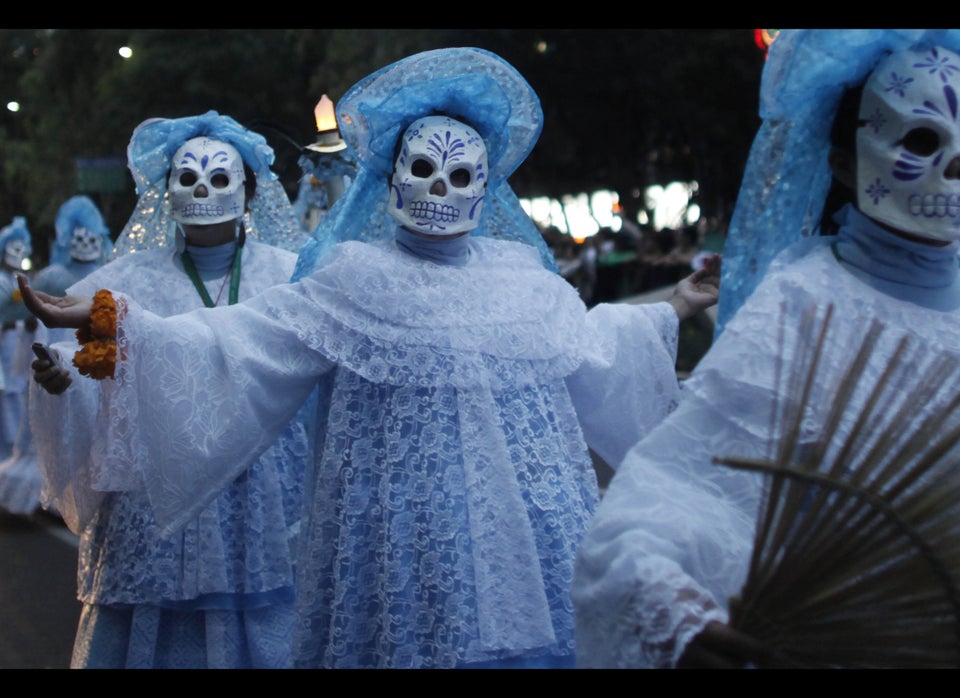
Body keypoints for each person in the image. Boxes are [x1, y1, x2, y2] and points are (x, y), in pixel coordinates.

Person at [21, 48, 719, 669]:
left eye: (457, 174)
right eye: (421, 168)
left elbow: (597, 345)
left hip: (527, 548)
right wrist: (119, 317)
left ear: (484, 187)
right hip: (401, 539)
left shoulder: (525, 281)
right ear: (390, 182)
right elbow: (238, 341)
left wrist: (677, 306)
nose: (437, 189)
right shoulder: (354, 278)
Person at [571, 29, 960, 669]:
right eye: (921, 139)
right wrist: (672, 609)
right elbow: (678, 496)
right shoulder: (803, 308)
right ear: (842, 161)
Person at [26, 111, 310, 669]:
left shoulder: (288, 275)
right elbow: (93, 361)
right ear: (167, 192)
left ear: (248, 194)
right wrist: (63, 371)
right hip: (151, 501)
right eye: (188, 177)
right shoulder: (128, 278)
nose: (203, 190)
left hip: (256, 489)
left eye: (219, 179)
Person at [0, 196, 111, 516]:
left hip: (96, 359)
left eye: (92, 238)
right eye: (79, 239)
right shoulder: (50, 277)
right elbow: (38, 324)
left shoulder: (110, 272)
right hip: (56, 359)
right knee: (53, 414)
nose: (86, 244)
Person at [0, 217, 36, 464]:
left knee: (21, 391)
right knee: (8, 394)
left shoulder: (24, 279)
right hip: (6, 343)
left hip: (21, 344)